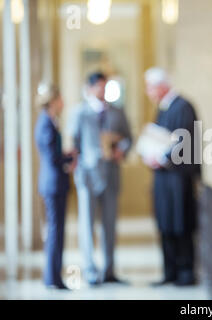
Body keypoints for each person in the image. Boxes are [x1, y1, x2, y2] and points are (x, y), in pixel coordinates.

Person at [69, 72, 133, 285]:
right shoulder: (80, 112)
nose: (102, 91)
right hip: (87, 175)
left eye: (105, 87)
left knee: (110, 224)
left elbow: (128, 138)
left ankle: (109, 270)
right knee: (87, 224)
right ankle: (90, 270)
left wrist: (120, 151)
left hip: (111, 173)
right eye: (99, 87)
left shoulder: (117, 111)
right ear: (89, 88)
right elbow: (74, 143)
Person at [143, 67, 201, 286]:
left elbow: (184, 141)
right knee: (165, 223)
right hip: (164, 178)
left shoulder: (183, 107)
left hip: (179, 179)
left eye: (150, 87)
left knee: (180, 223)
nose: (148, 92)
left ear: (161, 86)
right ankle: (170, 272)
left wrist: (163, 157)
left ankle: (185, 273)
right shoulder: (163, 108)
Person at [35, 85, 77, 290]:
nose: (63, 102)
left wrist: (67, 155)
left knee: (57, 231)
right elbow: (52, 157)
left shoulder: (51, 121)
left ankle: (53, 275)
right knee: (55, 231)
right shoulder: (45, 123)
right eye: (60, 98)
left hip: (55, 182)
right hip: (53, 183)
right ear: (53, 100)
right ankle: (53, 277)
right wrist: (67, 159)